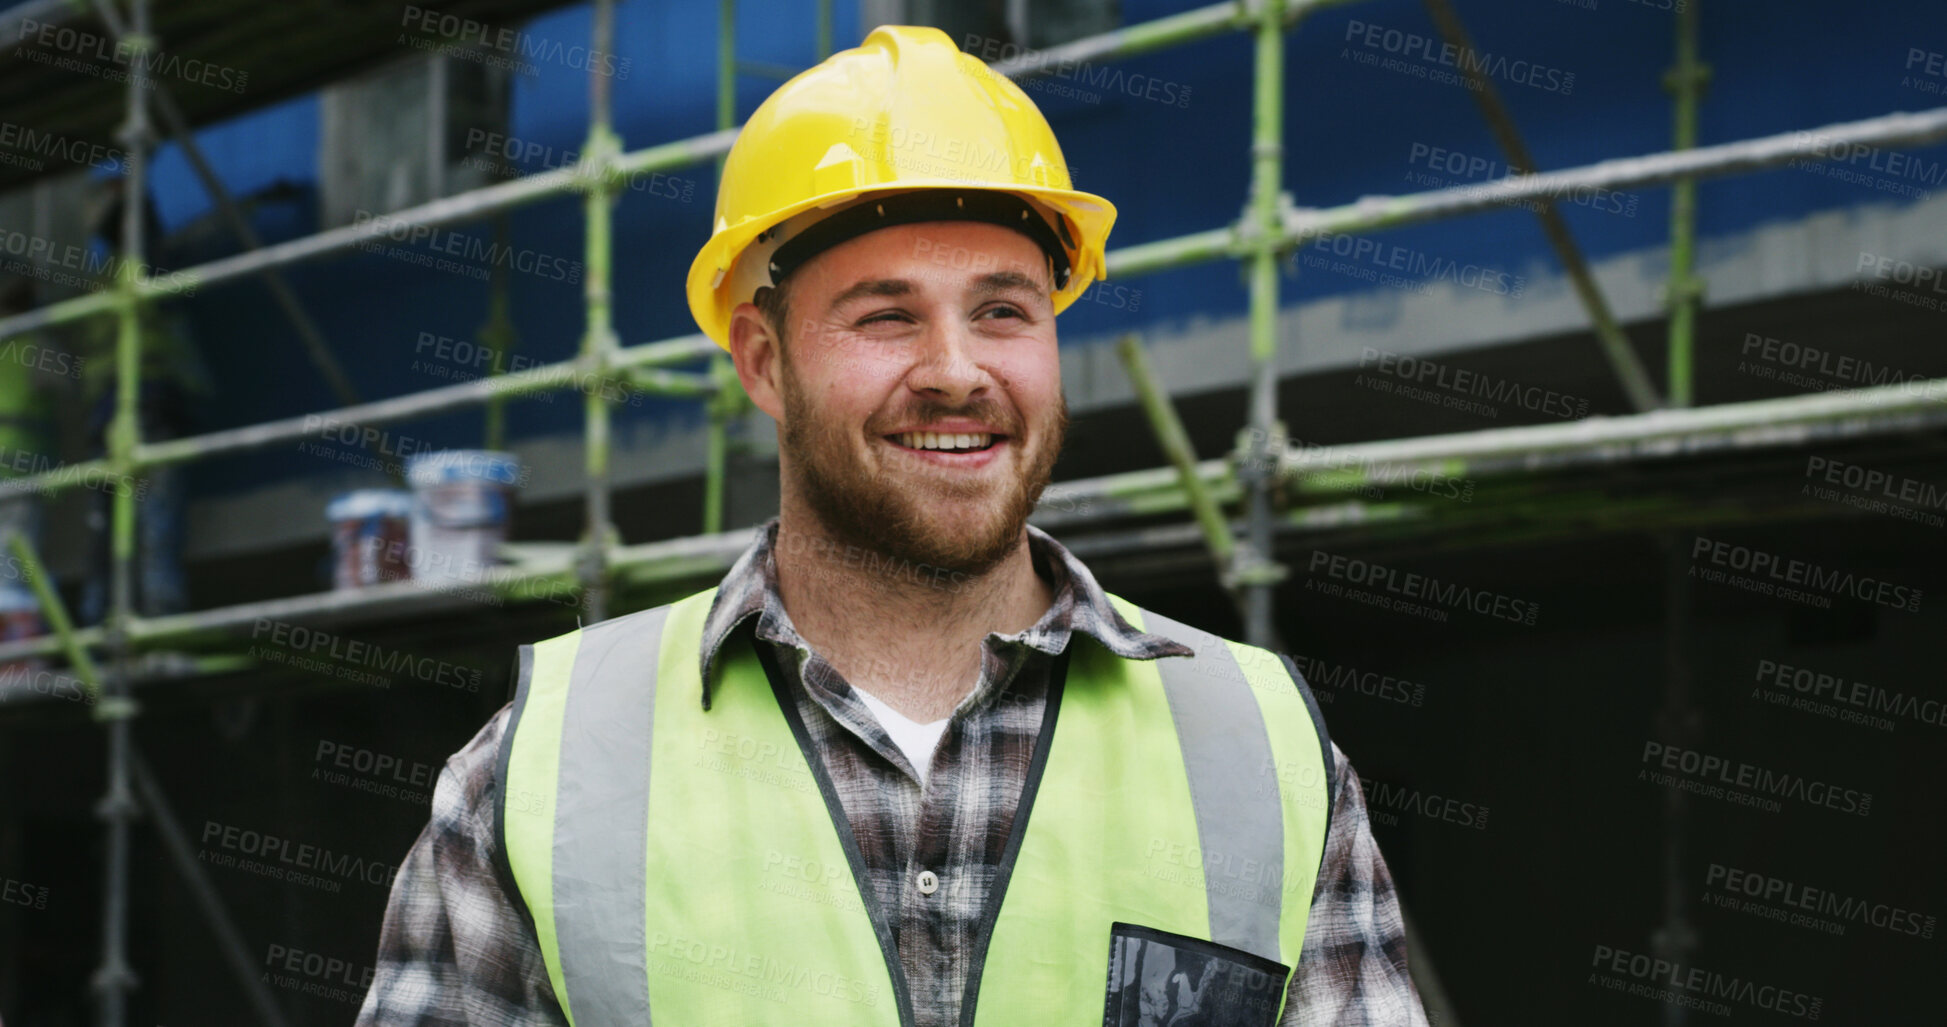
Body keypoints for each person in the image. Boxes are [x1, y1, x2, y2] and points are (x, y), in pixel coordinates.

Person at [356, 25, 1429, 1027]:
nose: (957, 372)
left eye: (1004, 310)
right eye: (886, 315)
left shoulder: (1261, 752)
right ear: (765, 365)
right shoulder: (540, 774)